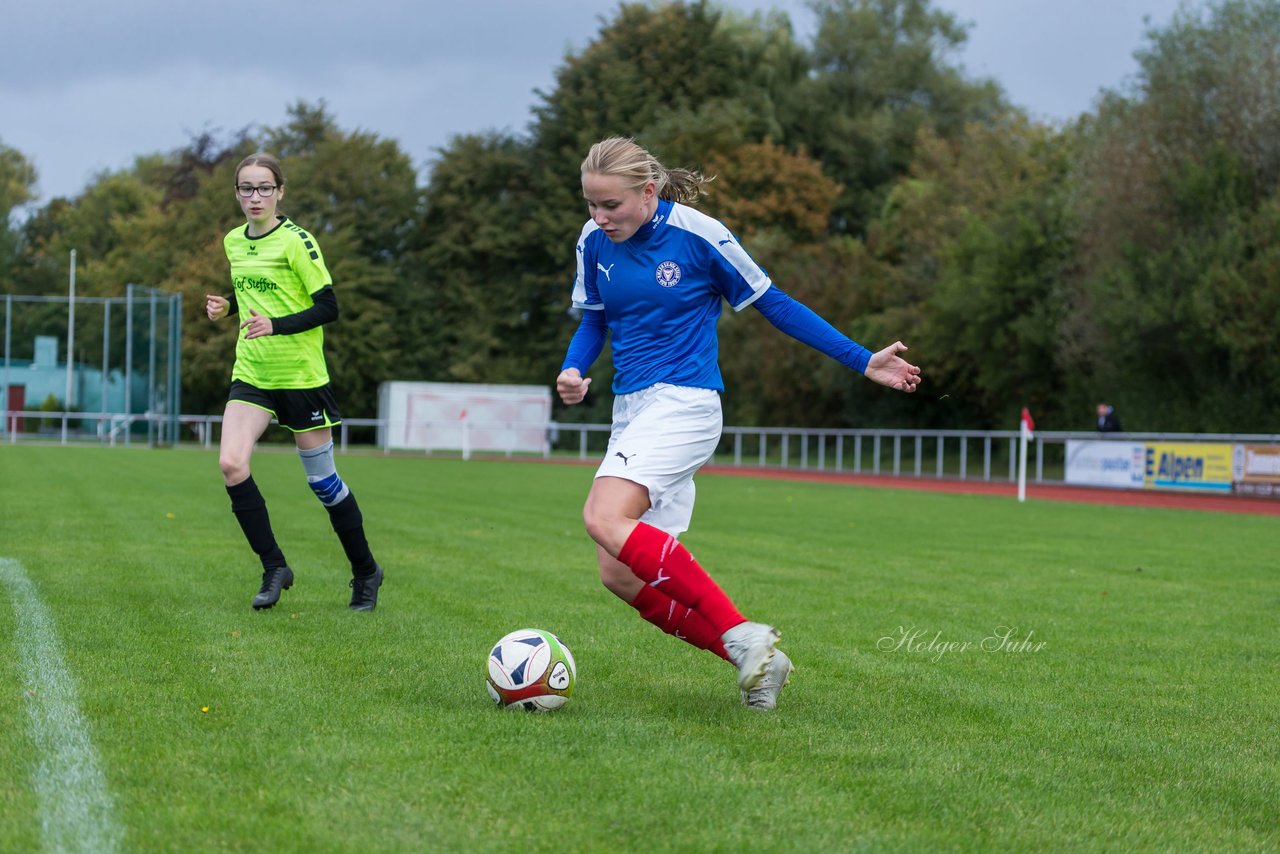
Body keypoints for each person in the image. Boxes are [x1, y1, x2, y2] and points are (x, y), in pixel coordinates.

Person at [556, 138, 922, 710]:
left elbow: (774, 302)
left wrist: (860, 359)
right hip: (631, 412)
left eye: (611, 206)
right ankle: (759, 664)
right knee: (618, 574)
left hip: (685, 403)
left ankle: (742, 632)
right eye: (590, 205)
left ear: (648, 192)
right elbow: (595, 320)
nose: (599, 218)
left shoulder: (700, 235)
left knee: (602, 518)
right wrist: (575, 368)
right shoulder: (592, 241)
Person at [205, 153, 383, 611]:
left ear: (280, 191)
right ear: (237, 194)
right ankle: (273, 566)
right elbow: (251, 292)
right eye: (246, 188)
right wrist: (228, 306)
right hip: (252, 373)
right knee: (231, 464)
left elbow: (328, 306)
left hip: (301, 377)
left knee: (323, 483)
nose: (255, 196)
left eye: (264, 187)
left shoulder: (298, 242)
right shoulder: (232, 242)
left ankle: (366, 572)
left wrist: (277, 325)